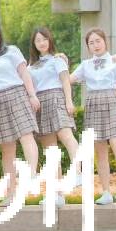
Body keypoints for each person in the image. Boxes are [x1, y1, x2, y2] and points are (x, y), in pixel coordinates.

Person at [0, 21, 41, 202]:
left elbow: (24, 73)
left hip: (16, 93)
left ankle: (32, 175)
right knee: (7, 149)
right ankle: (11, 193)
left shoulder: (11, 51)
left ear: (0, 37)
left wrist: (32, 95)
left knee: (26, 136)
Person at [75, 28, 116, 204]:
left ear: (105, 41)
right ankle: (106, 192)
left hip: (111, 100)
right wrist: (60, 61)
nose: (95, 45)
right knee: (100, 150)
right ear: (88, 47)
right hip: (93, 103)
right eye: (91, 43)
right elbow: (68, 79)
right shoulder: (85, 65)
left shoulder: (115, 60)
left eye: (98, 41)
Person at [28, 25, 81, 165]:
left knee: (67, 136)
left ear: (50, 40)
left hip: (57, 98)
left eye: (44, 39)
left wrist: (69, 102)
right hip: (40, 103)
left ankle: (78, 172)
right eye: (38, 40)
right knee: (49, 145)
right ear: (34, 44)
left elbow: (65, 81)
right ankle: (56, 178)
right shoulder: (30, 66)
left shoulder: (57, 59)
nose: (42, 43)